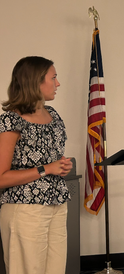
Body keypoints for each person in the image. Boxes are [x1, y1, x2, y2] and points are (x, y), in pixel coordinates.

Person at [0, 56, 73, 274]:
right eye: (54, 77)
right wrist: (46, 169)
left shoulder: (54, 115)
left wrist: (61, 166)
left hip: (57, 205)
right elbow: (2, 177)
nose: (58, 83)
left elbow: (51, 160)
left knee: (56, 270)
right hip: (26, 209)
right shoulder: (11, 120)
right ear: (35, 82)